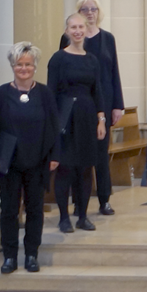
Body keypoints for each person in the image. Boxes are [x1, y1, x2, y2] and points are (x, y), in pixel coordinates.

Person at [0, 42, 60, 274]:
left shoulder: (45, 93)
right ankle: (9, 257)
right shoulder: (1, 93)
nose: (24, 68)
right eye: (19, 64)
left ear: (35, 66)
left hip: (37, 160)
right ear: (12, 66)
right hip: (8, 161)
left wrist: (55, 155)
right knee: (8, 210)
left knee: (35, 210)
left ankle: (31, 255)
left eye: (28, 64)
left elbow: (55, 126)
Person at [56, 0, 125, 216]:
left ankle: (104, 199)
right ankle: (79, 202)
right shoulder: (68, 38)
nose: (89, 12)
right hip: (77, 105)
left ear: (98, 12)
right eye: (84, 9)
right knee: (77, 154)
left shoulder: (108, 38)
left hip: (103, 101)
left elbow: (114, 72)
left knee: (101, 154)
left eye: (93, 9)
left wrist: (117, 105)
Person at [48, 13, 108, 233]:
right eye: (73, 27)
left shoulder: (92, 60)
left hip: (87, 117)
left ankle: (83, 216)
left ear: (86, 29)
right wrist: (53, 124)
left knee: (85, 168)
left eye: (80, 27)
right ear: (67, 31)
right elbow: (51, 92)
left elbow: (98, 92)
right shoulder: (58, 58)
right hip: (65, 118)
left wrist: (101, 120)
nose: (77, 31)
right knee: (65, 168)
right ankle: (64, 217)